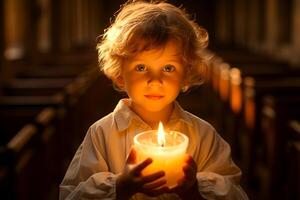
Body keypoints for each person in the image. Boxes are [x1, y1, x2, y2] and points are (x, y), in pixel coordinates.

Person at [59, 0, 248, 199]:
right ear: (120, 74)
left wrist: (194, 191)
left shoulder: (204, 135)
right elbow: (71, 195)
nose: (155, 81)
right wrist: (120, 187)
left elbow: (235, 193)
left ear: (186, 73)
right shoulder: (101, 134)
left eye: (168, 68)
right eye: (141, 68)